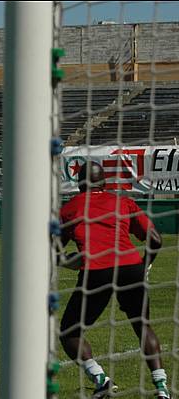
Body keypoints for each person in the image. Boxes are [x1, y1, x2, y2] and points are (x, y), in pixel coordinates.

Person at [58, 161, 168, 399]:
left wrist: (65, 260)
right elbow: (156, 240)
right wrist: (145, 266)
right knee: (142, 326)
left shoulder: (70, 209)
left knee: (69, 333)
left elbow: (51, 248)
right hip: (131, 267)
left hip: (97, 268)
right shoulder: (123, 202)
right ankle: (162, 389)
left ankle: (101, 381)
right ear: (105, 183)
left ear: (79, 184)